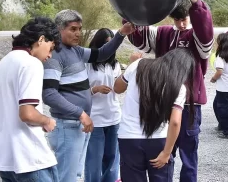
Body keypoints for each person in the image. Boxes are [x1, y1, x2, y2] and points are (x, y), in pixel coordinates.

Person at [123, 0, 214, 182]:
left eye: (185, 19)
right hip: (164, 103)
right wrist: (133, 3)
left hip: (190, 105)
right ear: (171, 18)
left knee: (189, 154)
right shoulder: (163, 33)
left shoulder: (198, 38)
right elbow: (140, 36)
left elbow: (205, 28)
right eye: (177, 19)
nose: (182, 24)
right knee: (165, 153)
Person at [42, 10, 135, 182]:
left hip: (78, 125)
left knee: (75, 175)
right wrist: (80, 113)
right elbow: (49, 95)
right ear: (58, 29)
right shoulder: (54, 56)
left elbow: (101, 54)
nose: (78, 33)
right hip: (67, 126)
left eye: (79, 29)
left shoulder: (75, 51)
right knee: (66, 177)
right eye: (73, 29)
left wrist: (121, 34)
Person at [0, 17, 61, 181]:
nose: (50, 55)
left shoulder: (3, 63)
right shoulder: (31, 63)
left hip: (6, 161)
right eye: (50, 48)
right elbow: (27, 114)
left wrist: (9, 115)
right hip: (31, 159)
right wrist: (46, 121)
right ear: (41, 39)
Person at [114, 48, 195, 182]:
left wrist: (131, 66)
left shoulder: (138, 65)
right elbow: (175, 122)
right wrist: (167, 153)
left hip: (128, 138)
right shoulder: (178, 87)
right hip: (159, 140)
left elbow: (117, 88)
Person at [84, 28, 122, 182]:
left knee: (113, 160)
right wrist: (95, 89)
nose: (110, 48)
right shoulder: (86, 64)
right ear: (98, 44)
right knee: (93, 160)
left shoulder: (115, 65)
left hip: (114, 116)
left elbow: (120, 87)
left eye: (112, 44)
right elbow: (78, 93)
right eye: (106, 44)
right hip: (95, 119)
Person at [210, 33, 228, 139]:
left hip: (223, 87)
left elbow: (219, 72)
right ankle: (223, 125)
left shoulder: (220, 56)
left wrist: (213, 79)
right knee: (217, 104)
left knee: (224, 108)